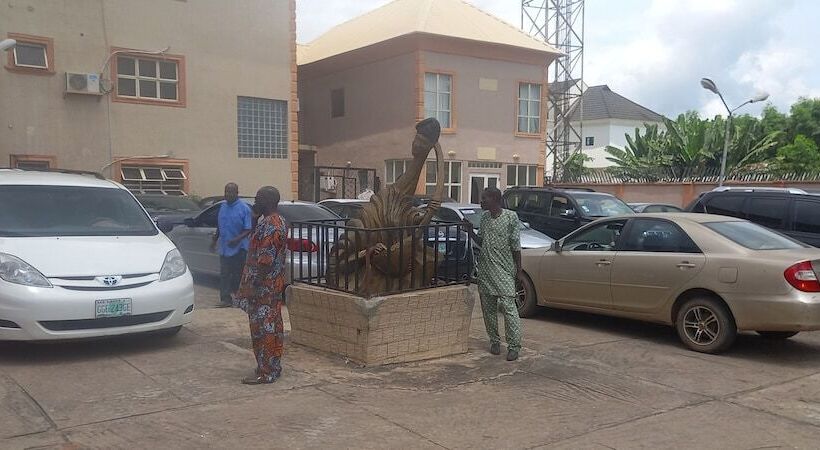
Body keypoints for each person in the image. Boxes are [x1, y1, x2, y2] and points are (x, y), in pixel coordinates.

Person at [234, 186, 288, 384]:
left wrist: (254, 286)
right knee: (273, 327)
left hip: (263, 289)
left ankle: (265, 372)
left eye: (258, 199)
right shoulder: (273, 222)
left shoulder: (271, 225)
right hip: (272, 287)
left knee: (263, 329)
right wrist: (254, 220)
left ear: (267, 201)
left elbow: (265, 260)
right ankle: (272, 366)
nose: (255, 203)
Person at [463, 187, 523, 361]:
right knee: (488, 309)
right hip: (486, 269)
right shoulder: (484, 218)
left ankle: (514, 346)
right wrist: (470, 232)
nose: (481, 201)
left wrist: (519, 270)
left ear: (495, 199)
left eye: (484, 198)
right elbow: (481, 240)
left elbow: (516, 246)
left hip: (504, 269)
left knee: (509, 308)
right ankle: (494, 341)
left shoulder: (511, 217)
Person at [211, 183, 253, 308]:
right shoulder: (223, 206)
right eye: (226, 192)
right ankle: (225, 299)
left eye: (231, 192)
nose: (228, 194)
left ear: (237, 193)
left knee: (238, 275)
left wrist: (236, 239)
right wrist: (215, 239)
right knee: (224, 274)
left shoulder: (244, 208)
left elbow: (248, 229)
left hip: (239, 248)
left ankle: (240, 298)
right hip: (224, 248)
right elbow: (220, 225)